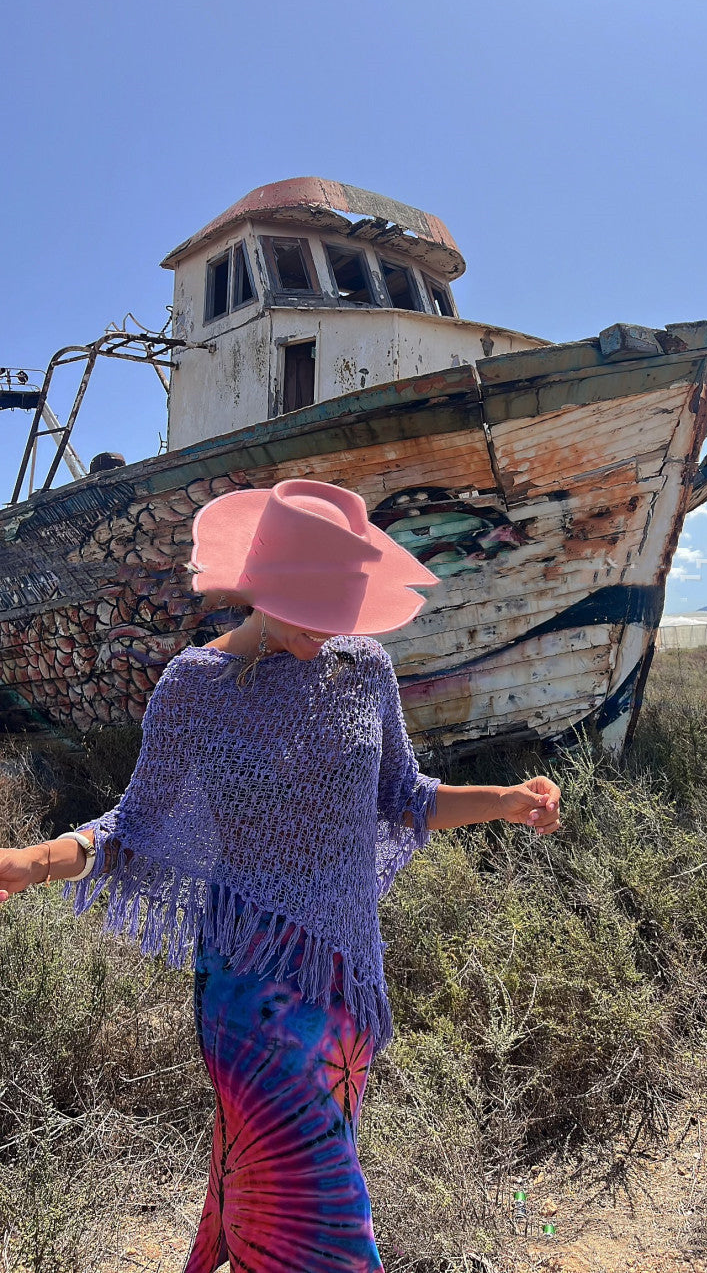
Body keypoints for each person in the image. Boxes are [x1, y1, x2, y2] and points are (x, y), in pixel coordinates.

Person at [0, 478, 561, 1273]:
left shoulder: (362, 668)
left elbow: (404, 797)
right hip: (250, 986)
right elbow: (133, 824)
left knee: (290, 1176)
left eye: (340, 612)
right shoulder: (193, 686)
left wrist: (504, 800)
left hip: (344, 978)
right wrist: (33, 862)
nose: (325, 633)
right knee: (322, 1207)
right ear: (258, 587)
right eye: (311, 610)